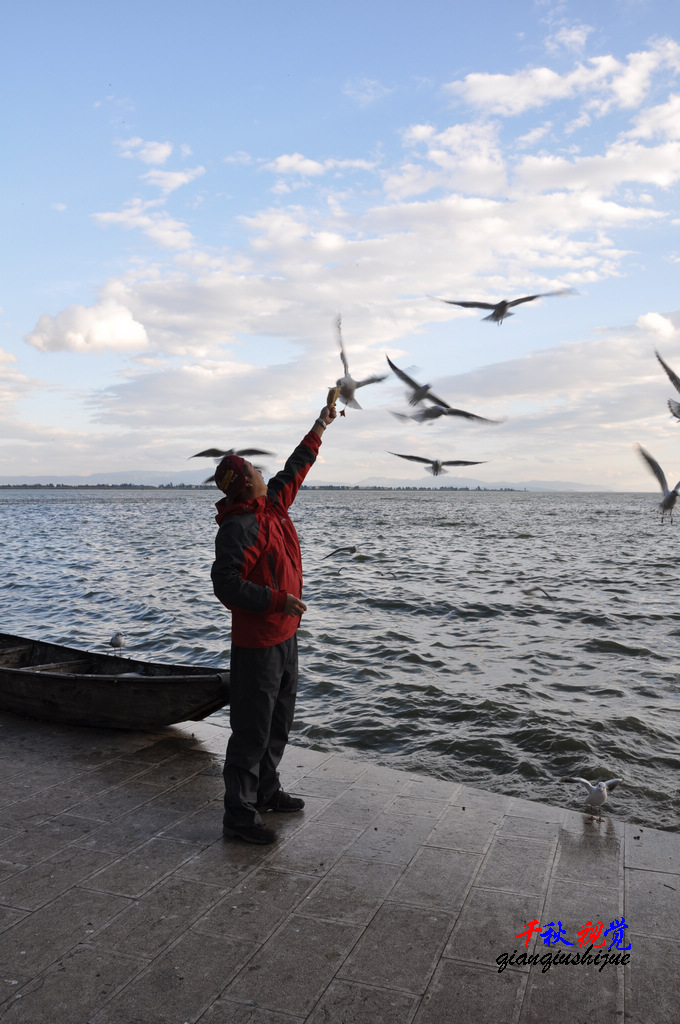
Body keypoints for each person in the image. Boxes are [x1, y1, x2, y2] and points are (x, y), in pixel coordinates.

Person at [211, 403, 336, 844]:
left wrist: (321, 423)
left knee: (279, 721)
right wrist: (279, 600)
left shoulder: (273, 504)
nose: (265, 474)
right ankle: (239, 817)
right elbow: (226, 586)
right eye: (255, 471)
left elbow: (296, 466)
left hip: (286, 638)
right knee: (251, 729)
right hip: (258, 644)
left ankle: (266, 791)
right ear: (246, 483)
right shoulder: (240, 527)